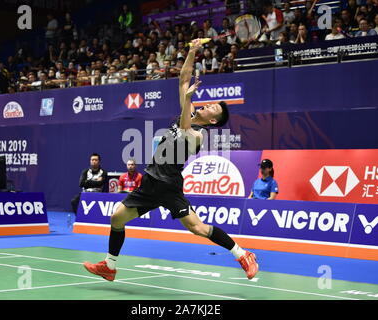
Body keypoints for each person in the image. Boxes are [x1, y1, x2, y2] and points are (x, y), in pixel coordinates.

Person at [83, 38, 258, 282]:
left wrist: (187, 100)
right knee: (117, 218)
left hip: (169, 186)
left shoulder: (199, 134)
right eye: (206, 104)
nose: (205, 106)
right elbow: (183, 79)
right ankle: (109, 266)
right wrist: (192, 51)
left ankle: (243, 254)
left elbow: (186, 127)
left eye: (210, 109)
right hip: (151, 182)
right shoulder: (185, 114)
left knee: (198, 228)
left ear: (213, 121)